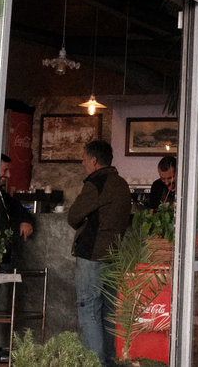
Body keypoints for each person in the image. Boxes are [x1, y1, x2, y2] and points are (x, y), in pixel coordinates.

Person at [68, 140, 132, 365]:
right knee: (108, 314)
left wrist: (87, 219)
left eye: (84, 158)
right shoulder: (122, 184)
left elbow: (73, 216)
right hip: (114, 256)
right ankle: (109, 363)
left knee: (90, 312)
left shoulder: (96, 182)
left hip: (92, 256)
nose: (83, 162)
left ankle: (96, 364)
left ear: (94, 161)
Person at [0, 153, 34, 271]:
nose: (8, 175)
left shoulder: (1, 194)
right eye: (5, 170)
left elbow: (18, 207)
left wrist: (25, 220)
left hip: (2, 256)